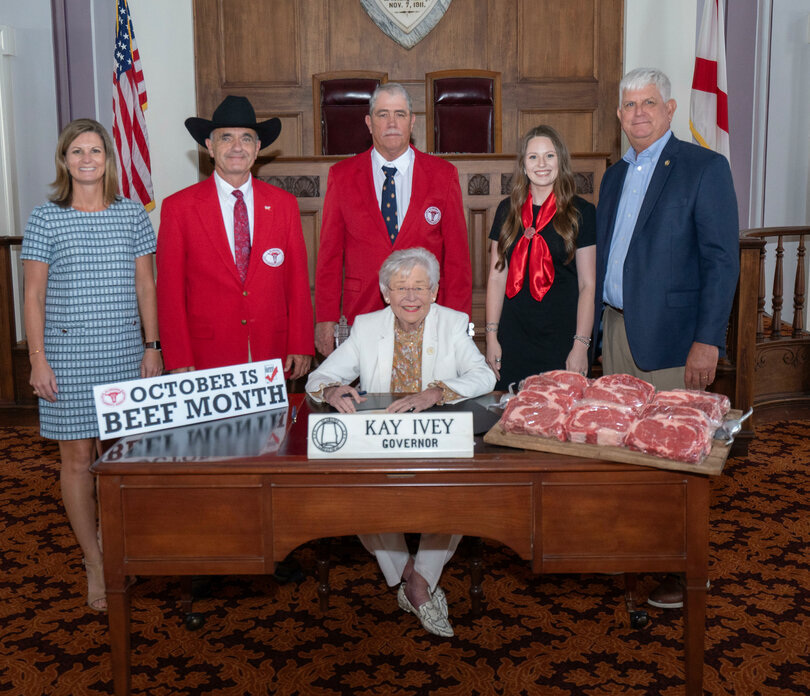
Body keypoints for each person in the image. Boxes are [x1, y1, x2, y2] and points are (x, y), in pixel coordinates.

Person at [594, 68, 739, 609]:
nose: (638, 113)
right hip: (616, 329)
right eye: (629, 104)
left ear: (671, 109)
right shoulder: (613, 175)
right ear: (619, 114)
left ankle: (679, 568)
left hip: (676, 339)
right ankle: (637, 552)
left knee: (676, 453)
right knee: (625, 448)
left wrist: (709, 341)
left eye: (649, 103)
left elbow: (722, 262)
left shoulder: (704, 168)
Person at [306, 248, 495, 637]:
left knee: (456, 491)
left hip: (435, 443)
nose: (411, 297)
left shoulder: (453, 324)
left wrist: (436, 393)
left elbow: (483, 377)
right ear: (385, 293)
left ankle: (419, 582)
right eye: (401, 288)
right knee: (357, 490)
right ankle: (412, 575)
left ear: (435, 291)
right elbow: (318, 378)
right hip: (381, 444)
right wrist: (333, 390)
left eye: (420, 287)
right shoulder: (366, 327)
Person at [21, 118, 164, 611]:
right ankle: (95, 562)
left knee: (124, 462)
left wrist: (154, 345)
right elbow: (33, 296)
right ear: (64, 160)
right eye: (77, 151)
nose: (87, 159)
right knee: (79, 462)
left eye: (96, 150)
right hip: (66, 359)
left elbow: (147, 286)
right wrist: (37, 360)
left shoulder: (131, 214)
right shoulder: (45, 217)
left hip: (126, 355)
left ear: (108, 159)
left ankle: (120, 543)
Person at [156, 95, 314, 377]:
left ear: (257, 149)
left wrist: (301, 342)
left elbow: (297, 280)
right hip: (207, 355)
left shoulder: (283, 205)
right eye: (226, 138)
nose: (237, 147)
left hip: (271, 351)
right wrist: (177, 356)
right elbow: (170, 292)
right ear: (210, 147)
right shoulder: (178, 208)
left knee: (273, 423)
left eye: (246, 138)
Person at [314, 82, 472, 357]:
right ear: (368, 122)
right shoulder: (341, 176)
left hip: (425, 315)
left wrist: (457, 321)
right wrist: (325, 318)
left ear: (412, 121)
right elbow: (329, 256)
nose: (391, 122)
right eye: (382, 114)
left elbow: (457, 259)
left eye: (399, 114)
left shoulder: (443, 175)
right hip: (361, 315)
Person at [485, 125, 596, 390]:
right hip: (514, 335)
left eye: (550, 155)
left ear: (561, 161)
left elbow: (588, 285)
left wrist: (580, 345)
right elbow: (497, 277)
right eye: (533, 157)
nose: (541, 164)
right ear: (523, 165)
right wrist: (491, 336)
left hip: (563, 338)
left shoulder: (582, 212)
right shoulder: (506, 210)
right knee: (511, 418)